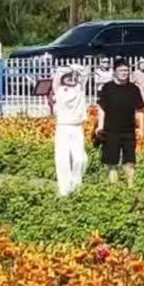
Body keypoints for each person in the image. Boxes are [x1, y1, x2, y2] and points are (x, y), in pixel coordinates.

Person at [95, 58, 144, 184]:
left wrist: (141, 128)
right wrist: (100, 126)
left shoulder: (134, 89)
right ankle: (114, 190)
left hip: (128, 130)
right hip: (111, 130)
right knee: (112, 162)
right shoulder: (107, 88)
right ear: (115, 72)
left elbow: (139, 110)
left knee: (130, 161)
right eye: (121, 70)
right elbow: (102, 108)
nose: (124, 73)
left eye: (126, 70)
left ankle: (130, 187)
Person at [51, 65, 91, 196]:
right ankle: (64, 190)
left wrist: (76, 69)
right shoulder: (59, 90)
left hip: (77, 126)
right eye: (67, 77)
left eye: (72, 77)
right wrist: (67, 69)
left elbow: (85, 73)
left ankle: (75, 185)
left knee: (81, 159)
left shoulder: (79, 89)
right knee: (62, 159)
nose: (70, 79)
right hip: (63, 126)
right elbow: (57, 76)